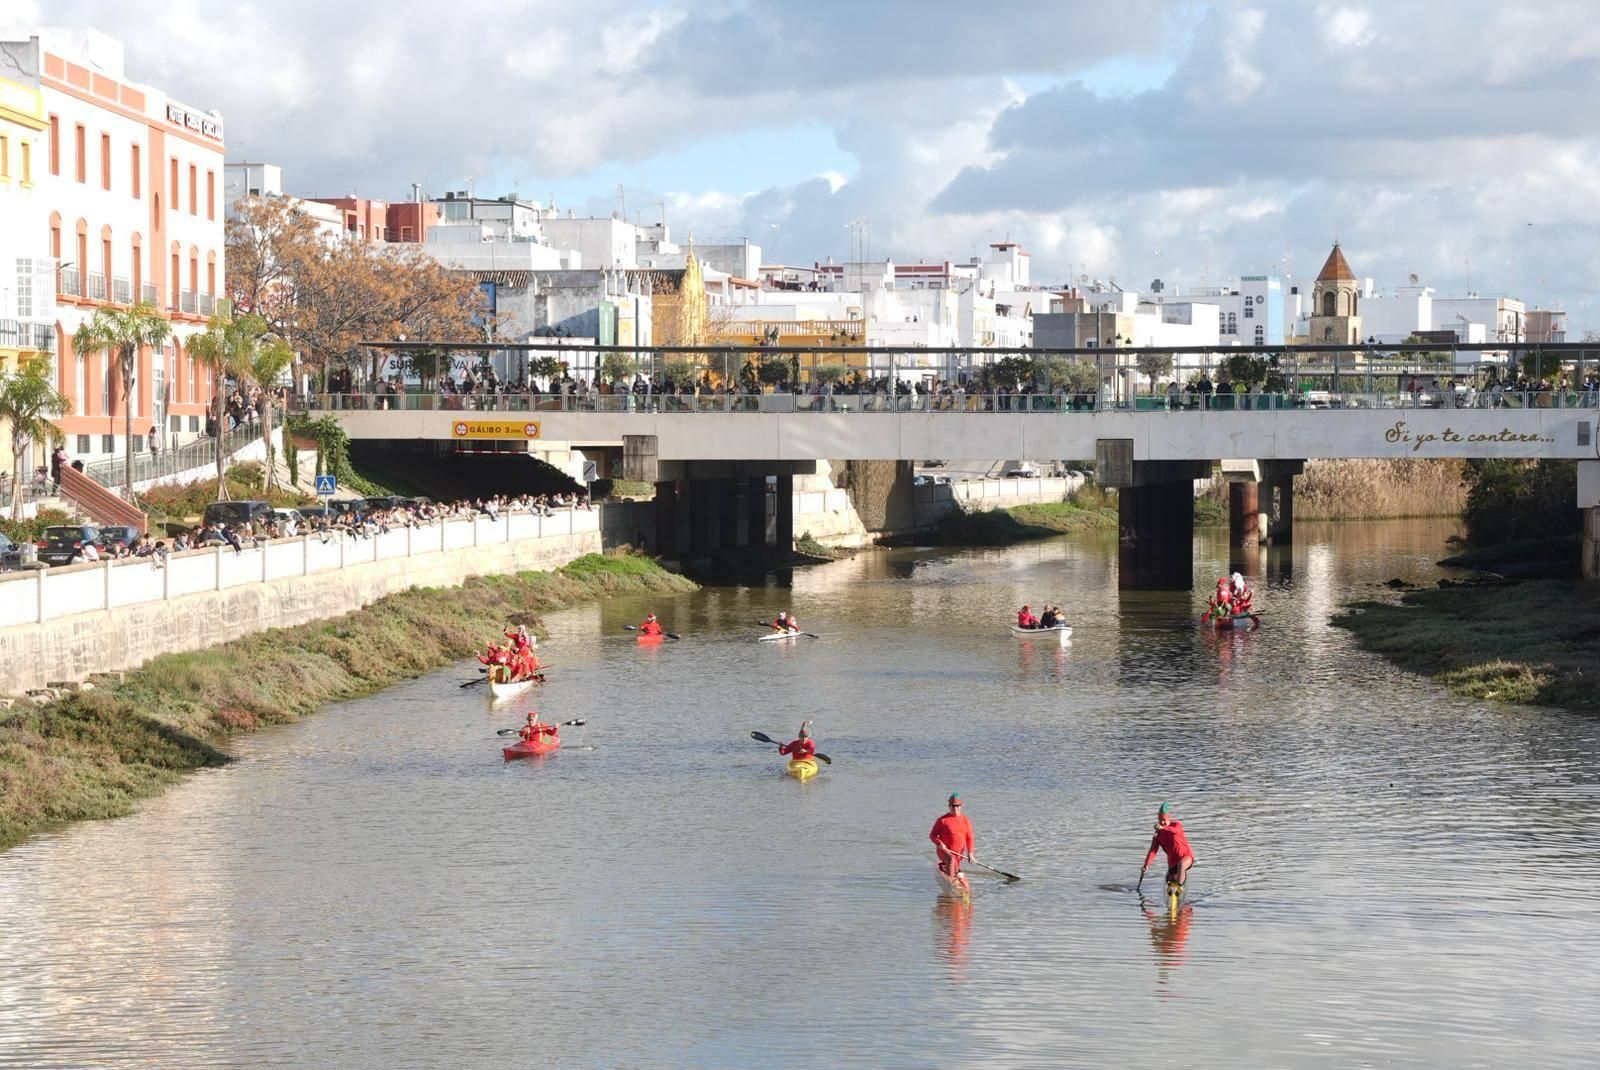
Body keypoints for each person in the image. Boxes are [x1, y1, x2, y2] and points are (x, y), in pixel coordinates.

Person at [1141, 802, 1196, 891]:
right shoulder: (1157, 835)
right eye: (1160, 820)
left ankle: (1179, 888)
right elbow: (1153, 851)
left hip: (1186, 857)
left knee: (1181, 864)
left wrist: (1163, 828)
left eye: (1164, 819)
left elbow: (1174, 831)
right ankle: (1171, 892)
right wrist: (1146, 865)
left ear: (1168, 818)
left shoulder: (1177, 825)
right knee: (1169, 880)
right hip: (1173, 862)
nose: (1162, 822)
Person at [930, 793, 976, 891]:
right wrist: (939, 843)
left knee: (955, 867)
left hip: (958, 854)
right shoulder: (942, 820)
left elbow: (969, 838)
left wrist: (970, 853)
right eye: (953, 806)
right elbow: (932, 835)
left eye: (957, 806)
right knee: (951, 860)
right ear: (949, 806)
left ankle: (952, 873)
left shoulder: (966, 820)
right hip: (944, 851)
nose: (955, 808)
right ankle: (950, 884)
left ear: (961, 806)